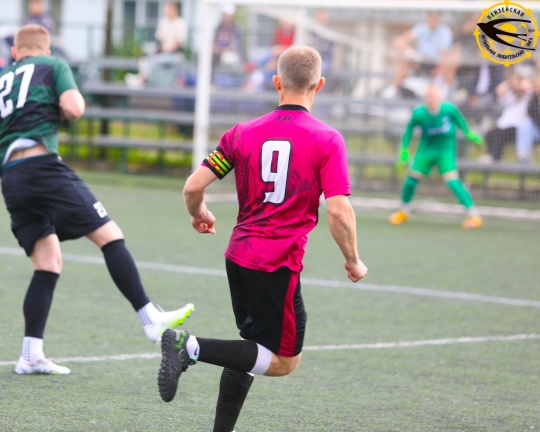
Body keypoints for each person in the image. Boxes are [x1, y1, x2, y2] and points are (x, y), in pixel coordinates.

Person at [157, 45, 368, 431]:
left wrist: (198, 214)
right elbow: (339, 211)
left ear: (276, 83)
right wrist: (353, 259)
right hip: (276, 263)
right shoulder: (327, 139)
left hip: (238, 254)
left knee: (251, 349)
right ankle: (188, 346)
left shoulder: (241, 133)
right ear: (319, 84)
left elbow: (193, 187)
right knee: (284, 362)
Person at [0, 25, 194, 375]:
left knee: (47, 262)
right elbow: (74, 107)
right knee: (110, 234)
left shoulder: (4, 78)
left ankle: (30, 354)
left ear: (15, 52)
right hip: (42, 167)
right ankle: (149, 317)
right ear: (45, 49)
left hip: (11, 178)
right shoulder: (52, 64)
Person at [389, 84, 484, 229]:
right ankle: (404, 210)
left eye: (433, 96)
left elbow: (461, 122)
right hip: (426, 150)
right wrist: (404, 151)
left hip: (445, 151)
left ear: (440, 97)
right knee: (410, 181)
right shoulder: (419, 113)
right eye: (428, 97)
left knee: (453, 182)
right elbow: (408, 132)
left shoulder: (449, 109)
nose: (431, 100)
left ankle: (473, 214)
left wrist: (469, 134)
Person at [382, 11, 454, 99]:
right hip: (420, 60)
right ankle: (393, 88)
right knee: (404, 59)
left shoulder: (444, 31)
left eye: (434, 18)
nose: (432, 20)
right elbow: (399, 41)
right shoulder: (421, 28)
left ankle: (440, 88)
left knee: (450, 61)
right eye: (430, 17)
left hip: (435, 63)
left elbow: (444, 53)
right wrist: (410, 52)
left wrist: (438, 69)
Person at [482, 67, 532, 163]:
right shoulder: (510, 94)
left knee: (500, 134)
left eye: (515, 80)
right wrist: (509, 82)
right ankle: (493, 158)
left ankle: (494, 158)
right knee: (491, 133)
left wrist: (519, 82)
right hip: (505, 124)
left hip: (518, 126)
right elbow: (499, 90)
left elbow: (528, 86)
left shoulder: (528, 94)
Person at [516, 74, 540, 164]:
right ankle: (523, 158)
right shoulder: (534, 98)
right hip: (537, 129)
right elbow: (530, 113)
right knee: (525, 124)